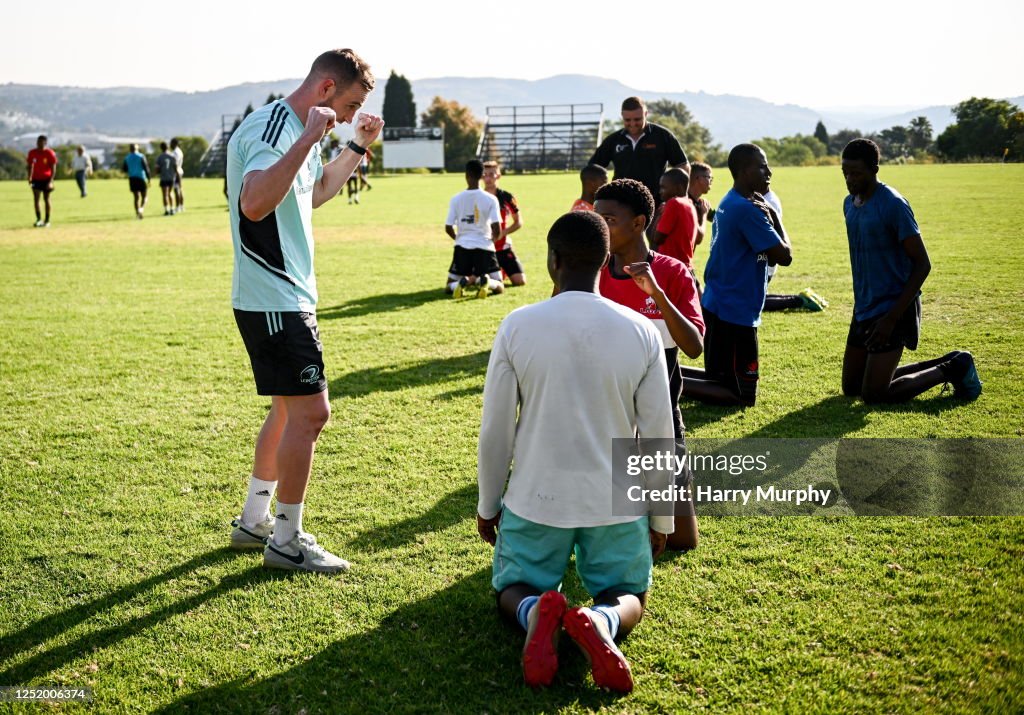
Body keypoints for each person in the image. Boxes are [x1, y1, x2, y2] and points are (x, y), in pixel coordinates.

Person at [478, 210, 675, 694]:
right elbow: (657, 431)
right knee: (629, 594)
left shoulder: (518, 324)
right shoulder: (641, 329)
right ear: (606, 260)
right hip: (615, 500)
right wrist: (662, 517)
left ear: (553, 260)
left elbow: (496, 430)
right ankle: (601, 622)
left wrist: (487, 506)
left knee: (511, 589)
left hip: (535, 497)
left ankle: (534, 613)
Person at [226, 48, 384, 573]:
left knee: (288, 410)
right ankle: (286, 540)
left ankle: (254, 522)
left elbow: (311, 193)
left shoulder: (298, 128)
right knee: (313, 413)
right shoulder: (276, 129)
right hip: (274, 296)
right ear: (325, 88)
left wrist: (356, 145)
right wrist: (308, 139)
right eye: (350, 104)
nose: (347, 114)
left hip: (284, 295)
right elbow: (253, 202)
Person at [593, 178, 704, 552]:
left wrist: (656, 292)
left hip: (660, 418)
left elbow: (693, 347)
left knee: (682, 540)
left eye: (608, 220)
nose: (600, 228)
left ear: (639, 223)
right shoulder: (591, 274)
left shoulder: (673, 273)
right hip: (604, 419)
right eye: (597, 219)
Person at [840, 138, 981, 402]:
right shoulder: (849, 204)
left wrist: (892, 318)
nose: (849, 179)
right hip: (864, 308)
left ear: (874, 169)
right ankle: (950, 361)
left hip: (895, 308)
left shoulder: (893, 204)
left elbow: (922, 264)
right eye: (845, 173)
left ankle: (954, 368)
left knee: (874, 395)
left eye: (856, 173)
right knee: (852, 387)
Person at [679, 144, 792, 407]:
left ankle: (662, 374)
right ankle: (663, 381)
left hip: (717, 303)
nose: (769, 171)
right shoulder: (749, 210)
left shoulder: (729, 200)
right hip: (736, 311)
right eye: (762, 166)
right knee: (743, 394)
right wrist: (775, 217)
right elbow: (784, 256)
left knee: (718, 379)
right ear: (744, 171)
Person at [588, 97, 689, 204]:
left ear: (646, 114)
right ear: (622, 116)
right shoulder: (614, 140)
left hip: (657, 203)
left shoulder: (662, 136)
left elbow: (683, 166)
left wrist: (678, 198)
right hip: (621, 203)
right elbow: (592, 170)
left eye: (637, 119)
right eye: (627, 120)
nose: (632, 124)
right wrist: (603, 195)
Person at [760, 190, 828, 312]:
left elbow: (775, 241)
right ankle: (800, 299)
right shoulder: (763, 199)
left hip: (764, 265)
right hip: (761, 264)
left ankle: (798, 301)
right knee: (754, 297)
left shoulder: (767, 202)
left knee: (749, 301)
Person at [444, 159, 503, 298]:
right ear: (482, 175)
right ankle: (483, 280)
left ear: (466, 175)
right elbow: (497, 227)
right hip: (484, 247)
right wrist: (491, 241)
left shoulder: (456, 199)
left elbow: (448, 227)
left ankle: (464, 282)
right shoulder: (491, 199)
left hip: (462, 248)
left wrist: (459, 238)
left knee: (449, 286)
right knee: (500, 286)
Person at [482, 161, 526, 286]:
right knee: (475, 280)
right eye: (485, 175)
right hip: (484, 248)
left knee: (520, 281)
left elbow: (518, 222)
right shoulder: (478, 197)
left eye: (492, 174)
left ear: (498, 175)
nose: (488, 178)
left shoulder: (507, 197)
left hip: (503, 247)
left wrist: (504, 232)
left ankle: (502, 271)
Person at [647, 168, 700, 270]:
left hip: (670, 268)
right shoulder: (689, 204)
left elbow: (656, 239)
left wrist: (659, 215)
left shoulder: (674, 204)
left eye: (664, 187)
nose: (660, 192)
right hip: (684, 267)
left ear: (678, 188)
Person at [26, 135, 57, 227]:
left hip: (46, 179)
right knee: (36, 199)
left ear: (45, 143)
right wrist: (29, 177)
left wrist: (51, 181)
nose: (39, 144)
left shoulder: (50, 153)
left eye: (41, 142)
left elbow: (53, 168)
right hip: (36, 178)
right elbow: (30, 166)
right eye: (38, 142)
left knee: (46, 199)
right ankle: (38, 219)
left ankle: (47, 220)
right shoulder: (32, 153)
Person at [122, 143, 151, 219]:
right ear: (137, 148)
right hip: (141, 177)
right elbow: (146, 168)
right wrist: (149, 178)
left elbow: (124, 169)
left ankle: (137, 213)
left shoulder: (127, 158)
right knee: (145, 196)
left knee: (136, 197)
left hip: (132, 178)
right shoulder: (141, 156)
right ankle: (141, 209)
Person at [156, 142, 179, 216]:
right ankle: (172, 209)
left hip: (163, 177)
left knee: (164, 194)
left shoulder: (160, 157)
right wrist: (177, 176)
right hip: (171, 177)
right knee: (170, 193)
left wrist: (158, 172)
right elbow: (176, 167)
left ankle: (166, 210)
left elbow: (157, 169)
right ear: (168, 147)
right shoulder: (172, 156)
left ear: (161, 148)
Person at [170, 137, 185, 213]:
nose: (170, 145)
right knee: (180, 189)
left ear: (174, 143)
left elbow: (174, 164)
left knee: (176, 190)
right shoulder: (180, 151)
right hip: (180, 171)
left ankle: (178, 206)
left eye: (171, 143)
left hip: (176, 172)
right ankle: (182, 206)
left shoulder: (175, 152)